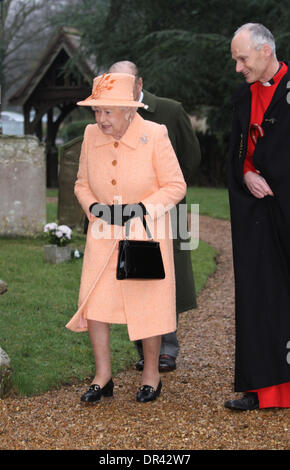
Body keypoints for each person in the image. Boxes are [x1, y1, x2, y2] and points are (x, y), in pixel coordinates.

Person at [66, 72, 186, 403]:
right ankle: (103, 377)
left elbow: (176, 186)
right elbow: (80, 183)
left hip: (144, 233)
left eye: (108, 111)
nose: (100, 119)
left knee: (147, 304)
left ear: (129, 111)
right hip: (103, 233)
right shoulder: (90, 135)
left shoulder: (155, 134)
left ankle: (151, 374)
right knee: (96, 304)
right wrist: (93, 207)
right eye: (97, 111)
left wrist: (140, 209)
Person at [108, 61, 201, 373]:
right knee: (134, 274)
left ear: (139, 83)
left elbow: (191, 157)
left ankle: (167, 349)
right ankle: (144, 350)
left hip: (168, 210)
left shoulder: (170, 110)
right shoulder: (109, 115)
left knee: (166, 276)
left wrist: (166, 193)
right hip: (128, 213)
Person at [226, 23, 290, 410]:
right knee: (257, 295)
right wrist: (246, 173)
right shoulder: (241, 96)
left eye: (242, 58)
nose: (237, 67)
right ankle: (260, 388)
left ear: (266, 51)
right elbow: (237, 151)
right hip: (255, 212)